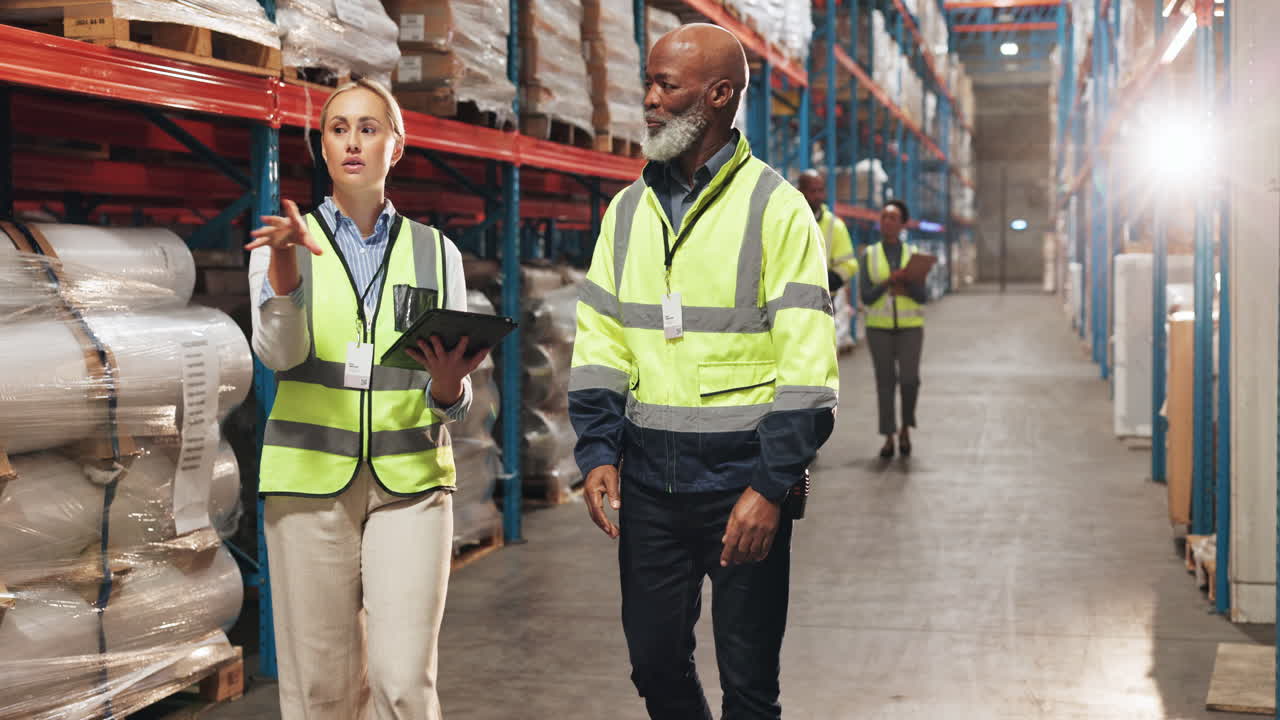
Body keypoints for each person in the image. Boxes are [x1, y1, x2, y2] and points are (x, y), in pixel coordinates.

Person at [568, 24, 840, 720]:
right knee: (654, 664)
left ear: (719, 96)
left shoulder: (776, 209)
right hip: (650, 482)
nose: (650, 101)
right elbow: (600, 338)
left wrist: (772, 487)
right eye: (648, 85)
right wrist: (599, 449)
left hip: (742, 480)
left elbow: (808, 369)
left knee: (750, 687)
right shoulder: (627, 212)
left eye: (667, 85)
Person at [246, 78, 487, 720]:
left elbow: (453, 397)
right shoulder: (284, 242)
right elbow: (279, 355)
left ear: (396, 146)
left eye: (368, 127)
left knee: (404, 683)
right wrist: (285, 278)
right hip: (307, 485)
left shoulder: (439, 253)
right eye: (338, 128)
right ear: (321, 148)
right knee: (320, 690)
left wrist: (448, 389)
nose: (352, 141)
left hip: (412, 486)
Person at [859, 199, 927, 459]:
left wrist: (906, 283)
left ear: (902, 224)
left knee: (910, 380)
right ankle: (888, 436)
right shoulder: (869, 255)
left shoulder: (914, 254)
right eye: (884, 217)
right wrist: (888, 281)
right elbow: (866, 296)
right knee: (885, 383)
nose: (887, 222)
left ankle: (906, 430)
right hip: (879, 328)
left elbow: (922, 296)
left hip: (910, 327)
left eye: (893, 218)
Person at [797, 169, 858, 352]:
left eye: (820, 190)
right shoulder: (787, 221)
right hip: (791, 307)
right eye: (812, 190)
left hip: (825, 306)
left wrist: (827, 280)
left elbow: (849, 264)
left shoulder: (835, 226)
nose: (818, 195)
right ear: (800, 191)